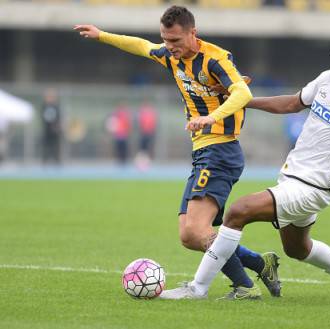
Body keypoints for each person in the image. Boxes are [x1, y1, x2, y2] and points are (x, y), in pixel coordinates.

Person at [160, 32, 330, 299]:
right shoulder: (327, 80)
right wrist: (242, 101)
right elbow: (291, 103)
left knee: (238, 211)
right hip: (292, 178)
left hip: (315, 187)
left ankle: (199, 289)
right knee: (297, 248)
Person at [75, 5, 281, 299]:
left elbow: (243, 93)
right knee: (189, 235)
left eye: (175, 41)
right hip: (203, 152)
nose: (169, 47)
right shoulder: (172, 57)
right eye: (166, 40)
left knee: (198, 230)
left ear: (192, 33)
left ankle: (245, 288)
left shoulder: (215, 59)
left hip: (220, 149)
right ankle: (260, 263)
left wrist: (212, 117)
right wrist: (102, 35)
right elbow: (143, 46)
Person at [41, 88, 62, 164]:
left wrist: (57, 127)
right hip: (47, 131)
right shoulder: (44, 107)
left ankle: (57, 162)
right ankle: (45, 162)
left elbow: (59, 118)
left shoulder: (56, 107)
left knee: (56, 148)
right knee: (46, 147)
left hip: (55, 131)